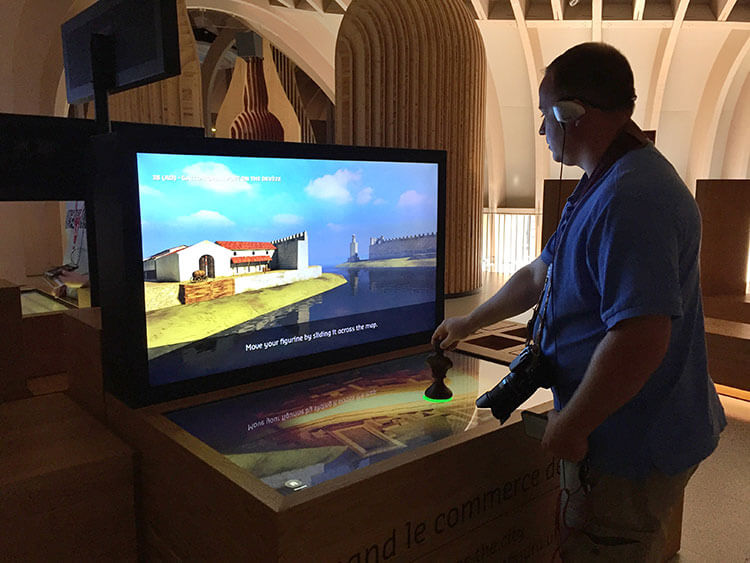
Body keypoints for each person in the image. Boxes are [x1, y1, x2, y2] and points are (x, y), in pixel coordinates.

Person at [432, 42, 726, 561]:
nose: (543, 130)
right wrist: (471, 321)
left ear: (571, 115)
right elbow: (539, 272)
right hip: (627, 427)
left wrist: (573, 423)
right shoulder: (606, 180)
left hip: (634, 441)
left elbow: (641, 336)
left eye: (546, 116)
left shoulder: (633, 198)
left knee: (610, 546)